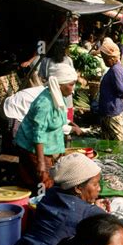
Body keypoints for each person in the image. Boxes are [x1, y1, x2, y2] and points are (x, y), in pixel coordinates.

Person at [15, 63, 80, 192]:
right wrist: (41, 163)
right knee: (43, 183)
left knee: (48, 180)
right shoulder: (44, 103)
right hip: (32, 149)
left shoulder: (56, 96)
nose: (73, 89)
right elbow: (38, 134)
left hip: (46, 148)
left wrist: (72, 125)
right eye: (71, 84)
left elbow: (56, 119)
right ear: (59, 85)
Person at [98, 37, 123, 141]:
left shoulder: (115, 69)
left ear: (111, 58)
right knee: (107, 142)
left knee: (118, 141)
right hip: (108, 111)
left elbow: (121, 89)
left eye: (105, 59)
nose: (104, 61)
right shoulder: (114, 69)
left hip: (113, 112)